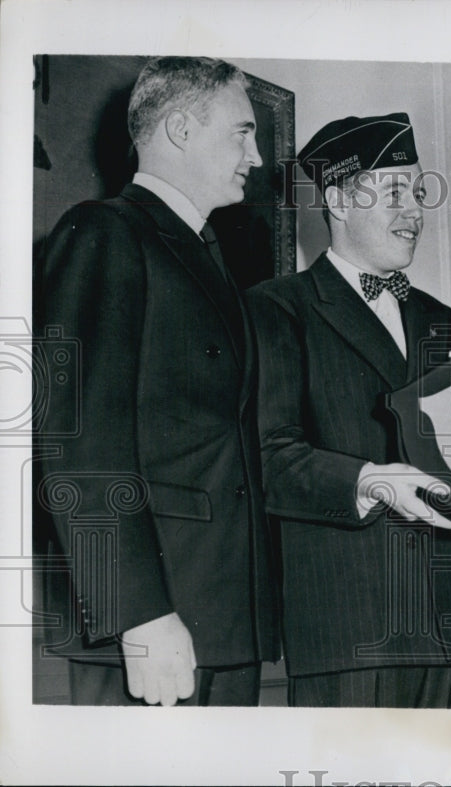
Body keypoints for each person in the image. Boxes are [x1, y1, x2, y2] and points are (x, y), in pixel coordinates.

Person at [35, 56, 279, 706]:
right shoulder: (105, 230)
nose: (255, 156)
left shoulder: (205, 251)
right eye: (242, 132)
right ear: (180, 129)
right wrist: (139, 613)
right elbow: (77, 438)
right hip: (149, 625)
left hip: (220, 619)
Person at [246, 113, 451, 707]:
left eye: (419, 193)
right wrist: (371, 482)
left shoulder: (439, 318)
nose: (415, 211)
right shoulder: (277, 307)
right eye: (394, 193)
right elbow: (270, 457)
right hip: (350, 623)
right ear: (338, 201)